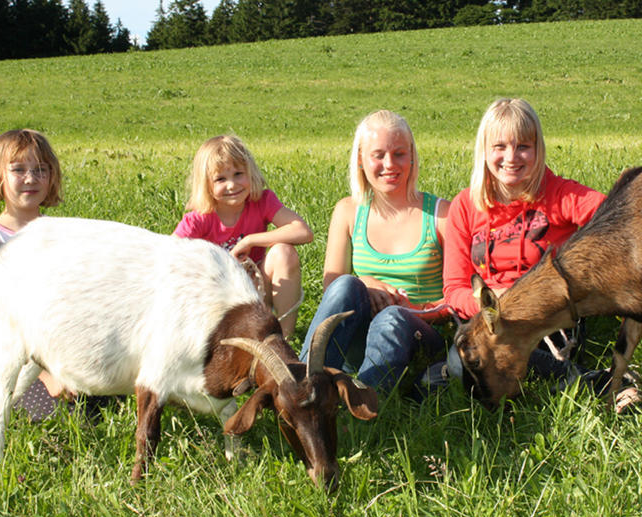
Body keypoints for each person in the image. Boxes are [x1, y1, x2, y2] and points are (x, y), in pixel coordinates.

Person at [438, 98, 639, 406]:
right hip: (488, 323)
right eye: (500, 147)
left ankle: (603, 385)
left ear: (537, 149)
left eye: (523, 147)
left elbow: (618, 213)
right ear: (484, 151)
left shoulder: (557, 194)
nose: (511, 157)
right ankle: (567, 382)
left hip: (547, 319)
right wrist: (491, 300)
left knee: (473, 367)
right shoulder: (465, 206)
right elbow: (453, 289)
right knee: (461, 362)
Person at [299, 110, 450, 393]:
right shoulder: (348, 211)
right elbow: (332, 288)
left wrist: (411, 310)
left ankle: (365, 404)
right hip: (362, 333)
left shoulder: (441, 214)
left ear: (413, 156)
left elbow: (458, 297)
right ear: (360, 159)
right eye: (378, 155)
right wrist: (366, 284)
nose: (389, 164)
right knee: (346, 284)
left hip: (421, 336)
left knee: (391, 318)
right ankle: (303, 386)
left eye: (399, 153)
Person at [0, 129, 69, 421]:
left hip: (57, 353)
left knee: (112, 397)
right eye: (19, 169)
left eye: (40, 170)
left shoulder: (61, 234)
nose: (31, 178)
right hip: (3, 360)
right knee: (59, 417)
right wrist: (47, 376)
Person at [174, 134, 312, 339]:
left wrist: (250, 240)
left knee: (284, 252)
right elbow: (169, 255)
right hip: (217, 298)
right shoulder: (199, 218)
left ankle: (284, 339)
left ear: (250, 172)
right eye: (220, 179)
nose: (232, 185)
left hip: (256, 288)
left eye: (238, 174)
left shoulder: (262, 201)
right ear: (207, 185)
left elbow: (303, 231)